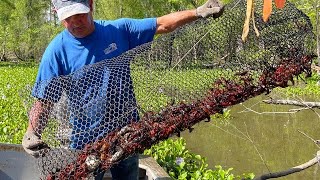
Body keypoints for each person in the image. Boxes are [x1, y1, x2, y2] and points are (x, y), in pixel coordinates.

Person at [22, 0, 224, 179]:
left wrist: (197, 12)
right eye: (68, 17)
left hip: (126, 134)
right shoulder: (56, 52)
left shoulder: (118, 30)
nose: (76, 22)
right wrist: (32, 131)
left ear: (91, 5)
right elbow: (45, 99)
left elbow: (162, 23)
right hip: (86, 141)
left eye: (80, 14)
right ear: (57, 13)